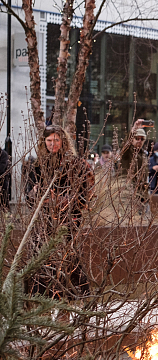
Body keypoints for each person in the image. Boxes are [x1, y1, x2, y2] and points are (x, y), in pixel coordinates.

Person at [24, 125, 94, 298]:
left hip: (69, 219)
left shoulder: (75, 164)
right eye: (49, 140)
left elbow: (88, 192)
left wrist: (68, 202)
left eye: (56, 140)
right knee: (40, 258)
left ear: (63, 141)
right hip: (44, 220)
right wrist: (35, 194)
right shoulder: (38, 165)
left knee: (68, 258)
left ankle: (67, 305)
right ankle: (42, 304)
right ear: (44, 142)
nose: (52, 144)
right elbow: (29, 196)